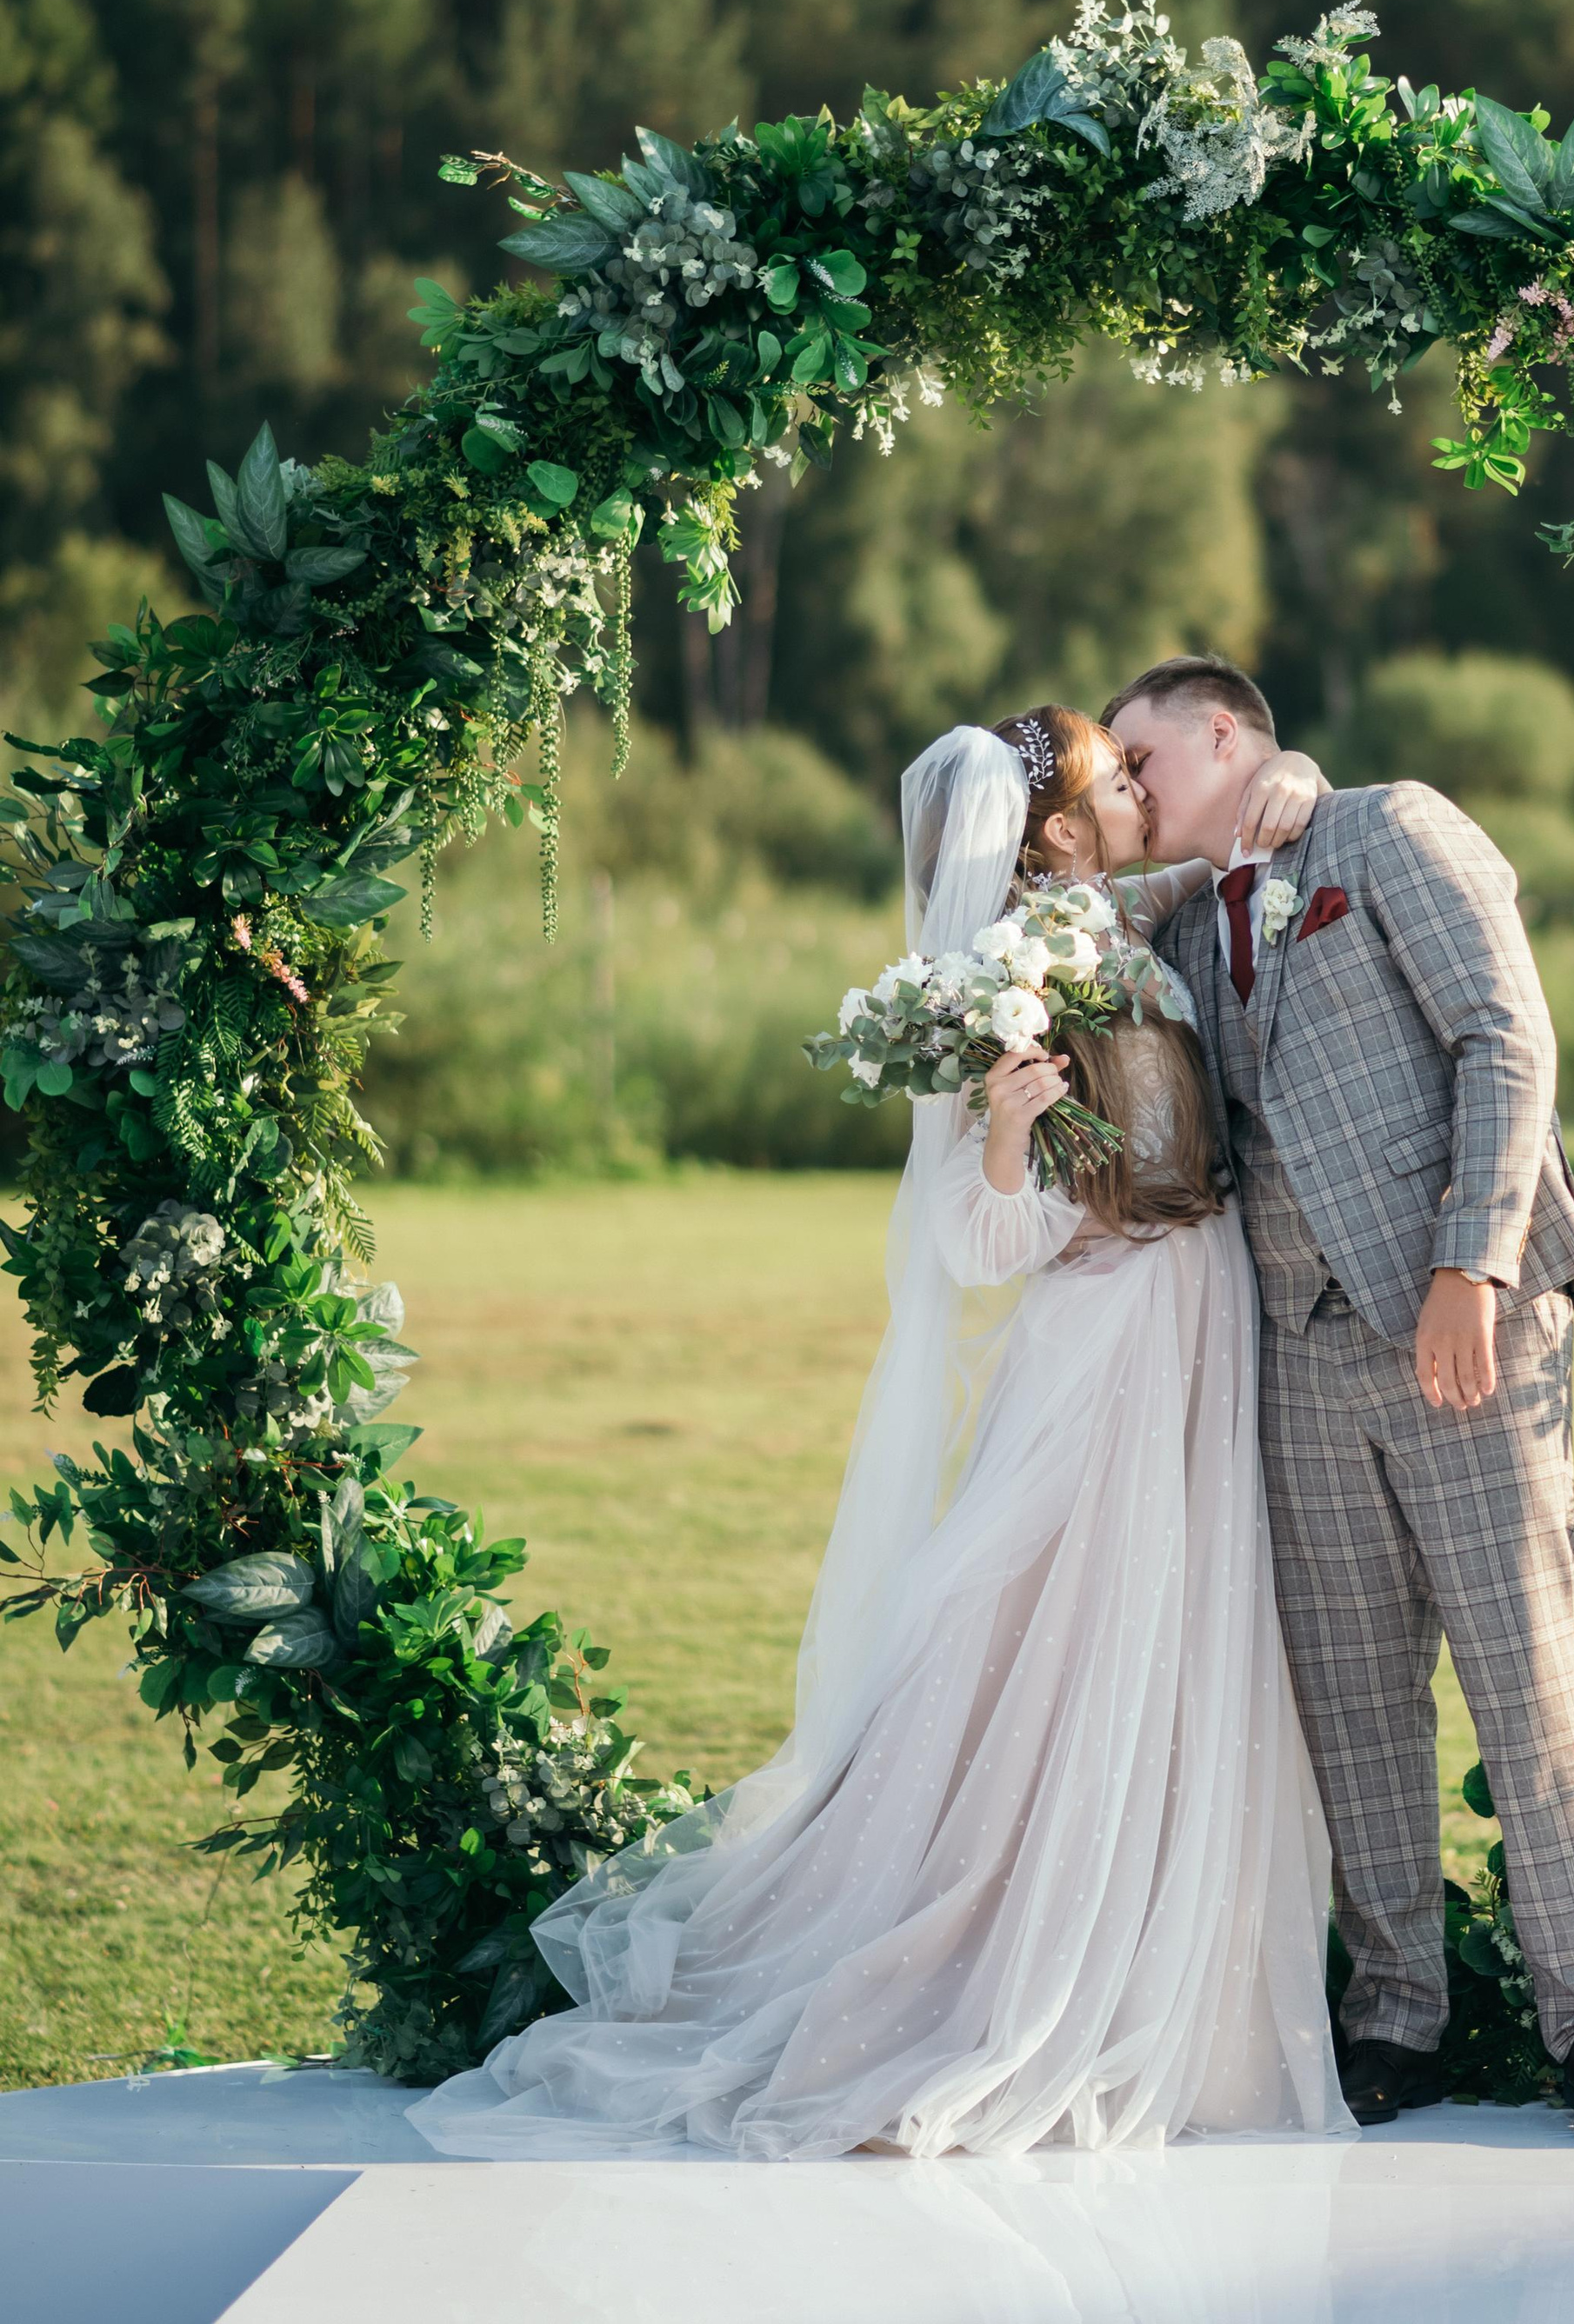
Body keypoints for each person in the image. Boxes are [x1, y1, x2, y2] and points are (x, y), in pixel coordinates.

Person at [405, 709, 1354, 2163]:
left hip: (1195, 1316)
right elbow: (980, 1242)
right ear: (1056, 829)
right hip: (1113, 1339)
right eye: (1114, 778)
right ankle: (1020, 1957)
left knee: (1173, 1633)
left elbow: (1218, 861)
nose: (1134, 786)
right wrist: (1005, 1130)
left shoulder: (1114, 919)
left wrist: (1292, 773)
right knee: (1076, 1635)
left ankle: (1172, 1957)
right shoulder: (1016, 974)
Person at [1101, 654, 1574, 2148]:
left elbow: (1506, 1035)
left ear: (1227, 731)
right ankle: (1398, 2012)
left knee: (1529, 1679)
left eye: (1144, 758)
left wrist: (1472, 1262)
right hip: (1296, 1351)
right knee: (1351, 1706)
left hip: (1464, 1322)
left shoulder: (1390, 826)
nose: (1131, 789)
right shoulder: (1181, 919)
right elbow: (1058, 913)